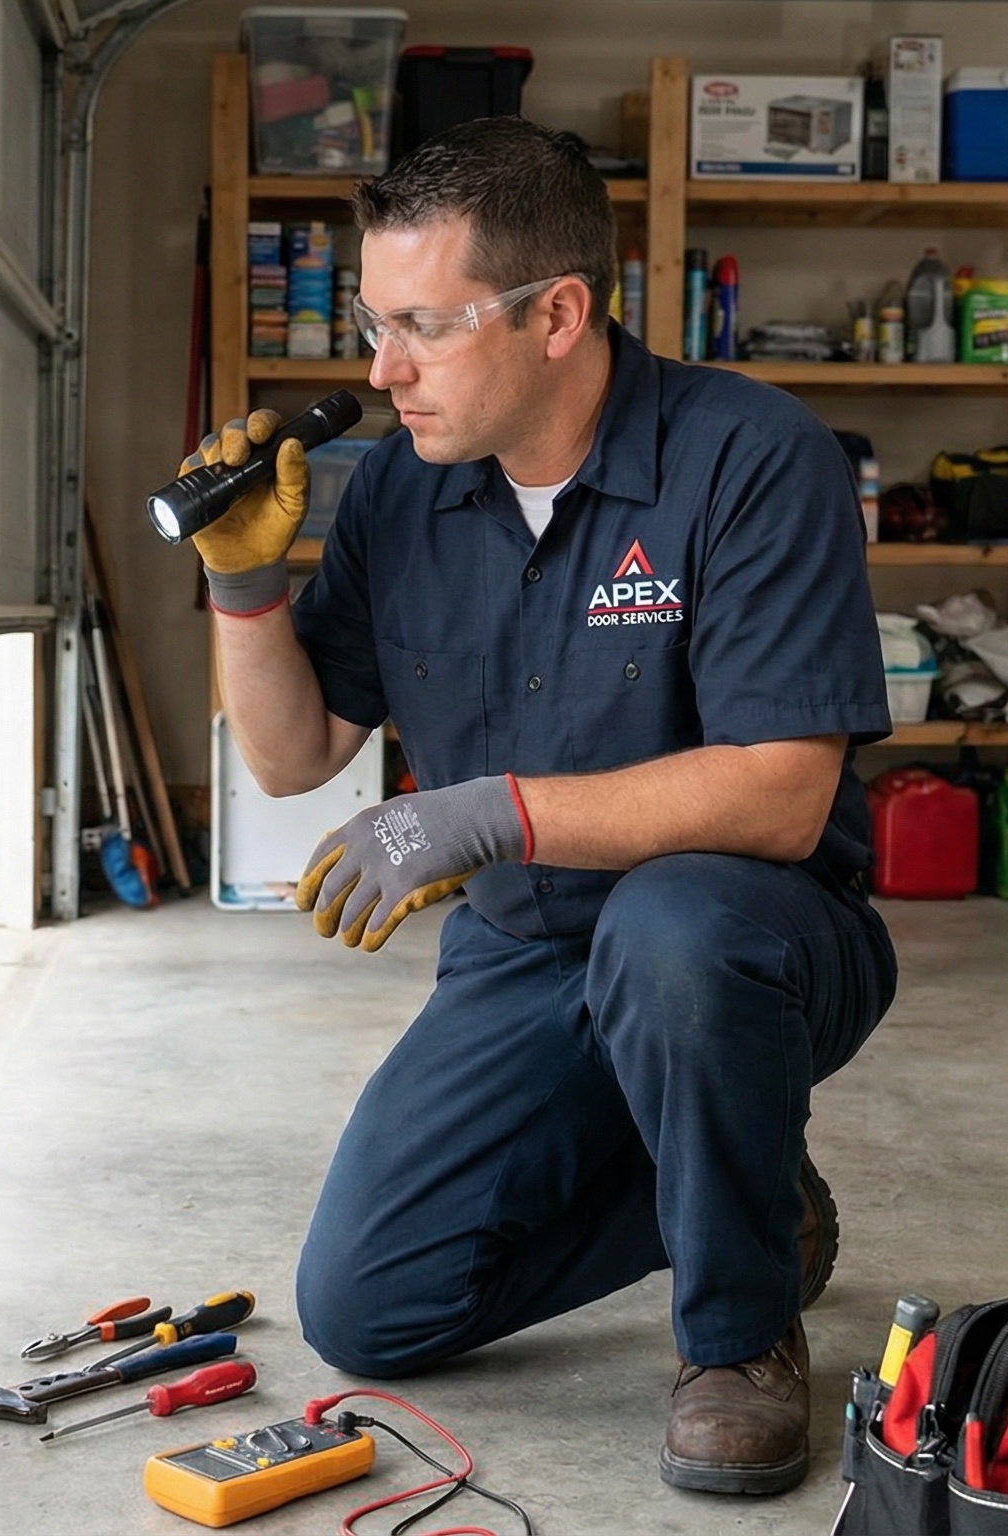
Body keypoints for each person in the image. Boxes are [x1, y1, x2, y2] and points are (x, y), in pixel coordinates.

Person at [178, 116, 899, 1495]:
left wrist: (484, 813)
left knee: (673, 933)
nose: (382, 372)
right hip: (522, 954)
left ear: (557, 313)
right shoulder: (400, 488)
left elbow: (784, 795)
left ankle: (740, 1336)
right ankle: (745, 1190)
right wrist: (243, 584)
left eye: (421, 329)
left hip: (748, 940)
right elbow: (290, 754)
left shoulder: (749, 456)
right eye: (376, 327)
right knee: (368, 1305)